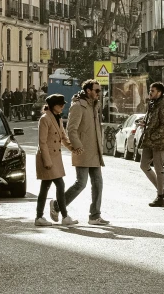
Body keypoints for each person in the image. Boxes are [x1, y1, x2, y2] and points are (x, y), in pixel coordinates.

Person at [50, 79, 109, 226]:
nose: (99, 93)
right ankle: (57, 206)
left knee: (98, 184)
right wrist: (77, 146)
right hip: (82, 150)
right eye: (96, 90)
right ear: (88, 91)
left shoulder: (94, 106)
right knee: (81, 183)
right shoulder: (78, 106)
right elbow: (71, 129)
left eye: (99, 90)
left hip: (95, 151)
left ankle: (95, 216)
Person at [35, 94, 79, 227]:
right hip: (47, 157)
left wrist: (72, 148)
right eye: (60, 105)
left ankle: (39, 217)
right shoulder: (45, 119)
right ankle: (64, 216)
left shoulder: (57, 118)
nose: (63, 107)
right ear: (53, 105)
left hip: (55, 157)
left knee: (45, 188)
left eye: (63, 104)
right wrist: (47, 161)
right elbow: (42, 142)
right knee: (59, 185)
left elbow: (63, 137)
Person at [138, 82, 164, 207]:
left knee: (159, 169)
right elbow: (150, 119)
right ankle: (161, 190)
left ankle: (160, 197)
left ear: (159, 92)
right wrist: (144, 122)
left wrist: (153, 136)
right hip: (148, 140)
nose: (150, 93)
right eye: (150, 91)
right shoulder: (152, 103)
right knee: (143, 165)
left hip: (159, 142)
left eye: (152, 91)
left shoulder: (163, 104)